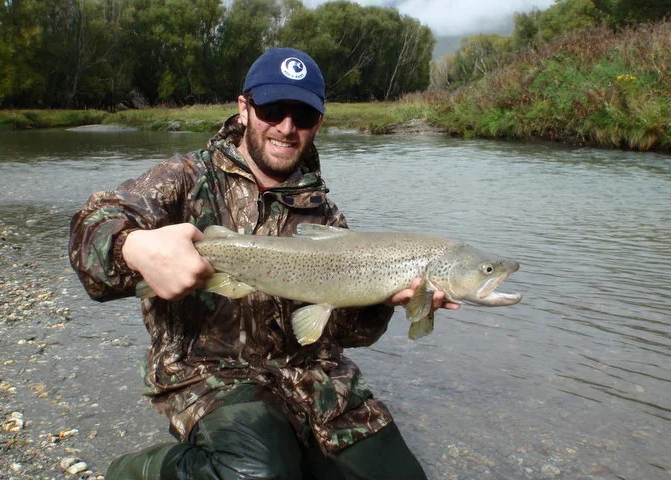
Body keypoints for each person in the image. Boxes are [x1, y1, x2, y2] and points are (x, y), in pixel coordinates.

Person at [69, 47, 459, 480]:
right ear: (245, 108)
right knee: (258, 473)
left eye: (303, 116)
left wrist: (388, 299)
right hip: (213, 374)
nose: (286, 127)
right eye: (273, 109)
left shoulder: (325, 214)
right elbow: (93, 224)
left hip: (314, 378)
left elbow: (344, 333)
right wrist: (135, 246)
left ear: (319, 123)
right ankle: (139, 471)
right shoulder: (185, 178)